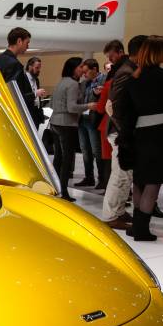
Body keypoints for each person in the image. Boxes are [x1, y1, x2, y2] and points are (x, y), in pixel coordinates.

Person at [115, 36, 163, 241]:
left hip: (139, 134)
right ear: (159, 52)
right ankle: (142, 229)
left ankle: (137, 226)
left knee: (140, 180)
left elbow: (124, 109)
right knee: (153, 182)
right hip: (161, 134)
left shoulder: (134, 78)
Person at [102, 36, 146, 230]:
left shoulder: (128, 69)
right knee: (120, 174)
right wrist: (125, 132)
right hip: (120, 132)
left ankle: (117, 211)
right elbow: (113, 105)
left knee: (125, 174)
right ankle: (111, 215)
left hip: (121, 131)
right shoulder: (127, 71)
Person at [49, 57, 96, 201]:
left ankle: (55, 189)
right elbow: (72, 107)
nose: (83, 69)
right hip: (66, 125)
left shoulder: (61, 83)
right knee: (67, 160)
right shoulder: (73, 85)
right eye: (81, 66)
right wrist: (89, 106)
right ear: (74, 68)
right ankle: (64, 192)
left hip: (55, 122)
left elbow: (51, 104)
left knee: (58, 158)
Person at [0, 28, 43, 128]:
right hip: (11, 116)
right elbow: (15, 96)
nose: (28, 47)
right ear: (19, 41)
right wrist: (33, 95)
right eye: (27, 43)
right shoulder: (14, 64)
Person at [75, 58, 106, 188]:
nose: (84, 74)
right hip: (82, 118)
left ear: (94, 69)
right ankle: (89, 177)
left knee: (97, 150)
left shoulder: (104, 80)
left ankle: (102, 179)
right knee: (85, 150)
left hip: (94, 120)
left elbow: (104, 100)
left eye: (86, 71)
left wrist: (97, 94)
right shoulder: (83, 83)